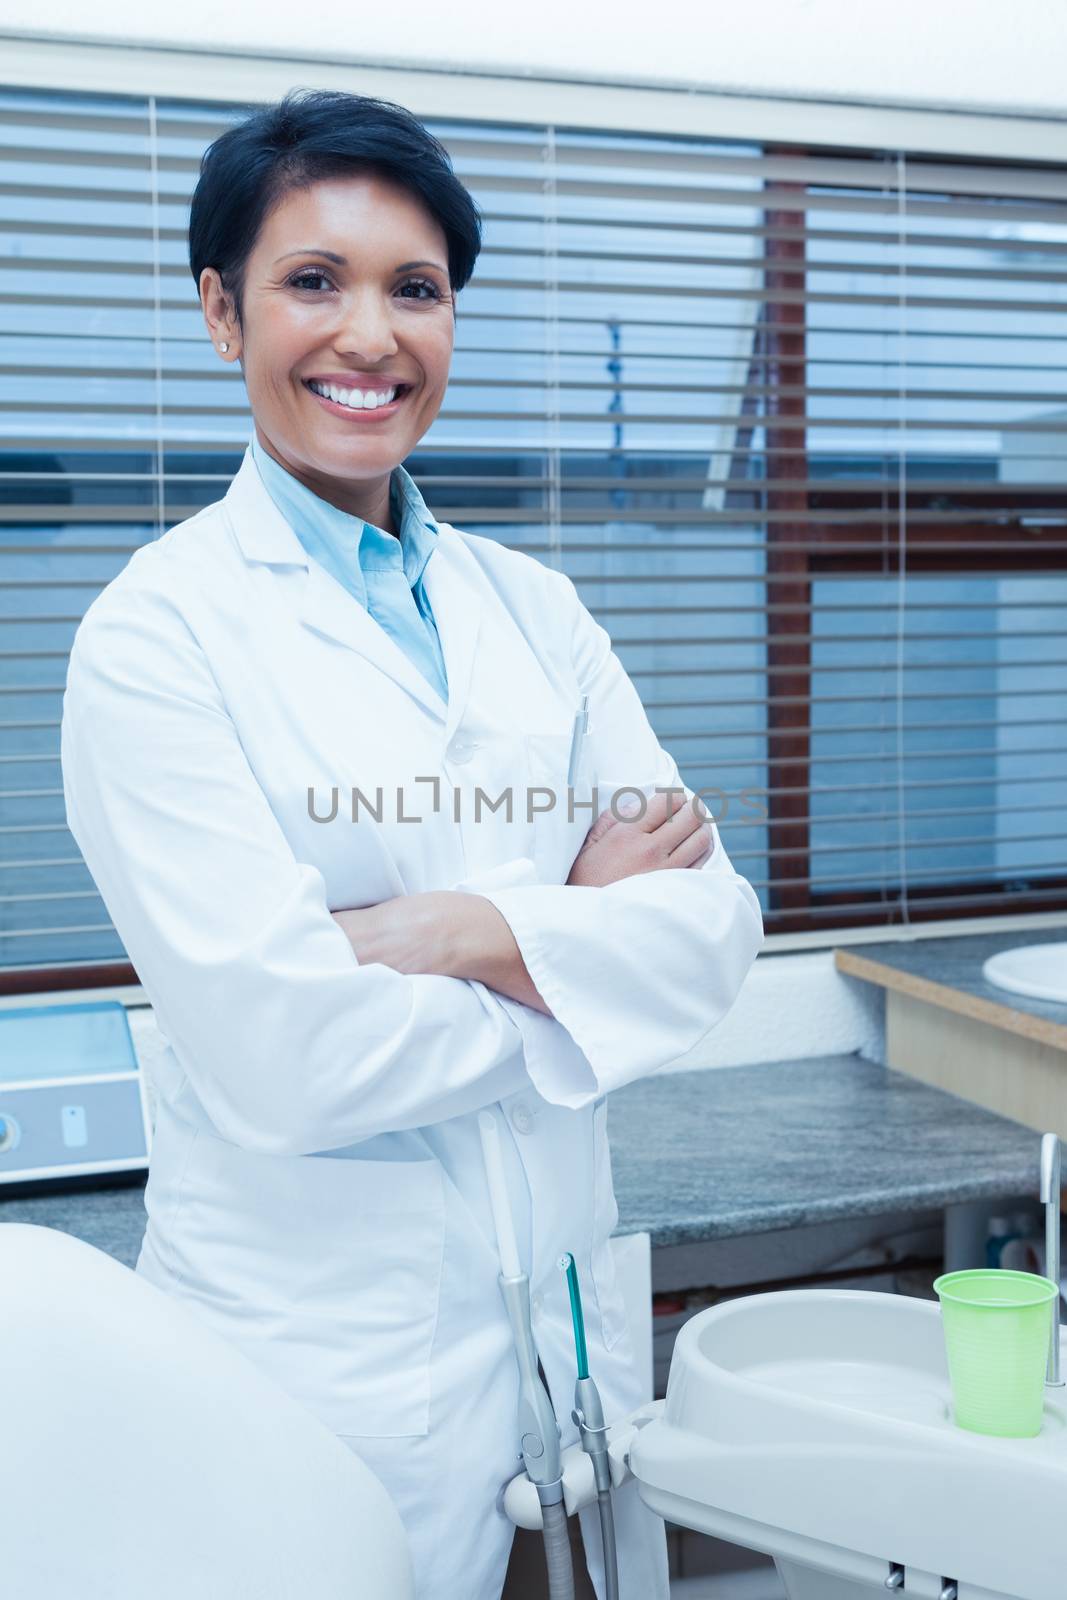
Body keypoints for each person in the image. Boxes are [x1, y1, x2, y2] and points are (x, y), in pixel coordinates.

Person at [59, 88, 764, 1600]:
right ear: (218, 311)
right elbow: (288, 1057)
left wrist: (458, 934)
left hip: (561, 1331)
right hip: (320, 1370)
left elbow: (713, 936)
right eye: (312, 281)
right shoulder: (157, 640)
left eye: (415, 289)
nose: (368, 335)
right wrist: (578, 951)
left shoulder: (538, 611)